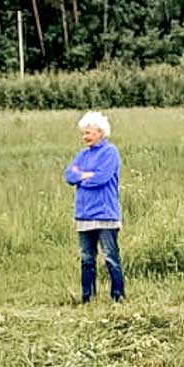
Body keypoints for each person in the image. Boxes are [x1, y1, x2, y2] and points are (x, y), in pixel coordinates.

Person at [64, 111, 125, 303]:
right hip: (84, 214)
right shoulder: (82, 154)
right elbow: (69, 176)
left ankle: (118, 296)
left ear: (100, 132)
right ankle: (87, 297)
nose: (85, 137)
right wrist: (85, 175)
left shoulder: (110, 152)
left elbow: (102, 177)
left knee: (110, 257)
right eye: (84, 133)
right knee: (86, 258)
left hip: (105, 214)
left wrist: (82, 176)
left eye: (89, 133)